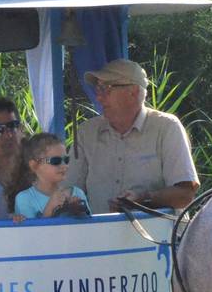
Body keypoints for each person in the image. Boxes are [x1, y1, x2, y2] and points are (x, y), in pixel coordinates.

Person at [67, 58, 199, 213]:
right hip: (102, 234)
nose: (99, 97)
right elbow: (68, 191)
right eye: (98, 88)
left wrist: (144, 199)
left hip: (158, 234)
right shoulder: (86, 132)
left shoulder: (166, 127)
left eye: (106, 88)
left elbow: (185, 194)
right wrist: (71, 204)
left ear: (133, 92)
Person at [15, 133, 90, 219]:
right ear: (34, 165)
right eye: (56, 161)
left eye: (66, 160)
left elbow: (91, 227)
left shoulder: (77, 193)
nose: (64, 166)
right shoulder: (24, 199)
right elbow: (30, 232)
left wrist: (79, 212)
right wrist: (50, 209)